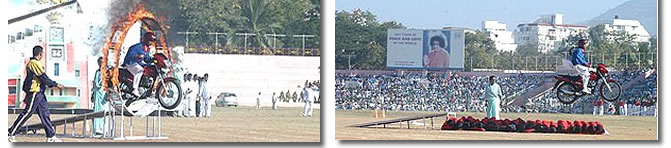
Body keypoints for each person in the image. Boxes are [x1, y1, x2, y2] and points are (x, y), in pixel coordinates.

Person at [8, 46, 65, 142]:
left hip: (40, 93)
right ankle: (10, 133)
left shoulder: (36, 63)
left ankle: (50, 136)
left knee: (45, 114)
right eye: (42, 53)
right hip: (34, 91)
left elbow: (43, 78)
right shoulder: (34, 63)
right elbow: (43, 77)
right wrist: (55, 84)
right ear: (40, 53)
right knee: (27, 113)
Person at [122, 32, 156, 97]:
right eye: (150, 41)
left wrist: (153, 60)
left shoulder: (147, 49)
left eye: (152, 41)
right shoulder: (137, 47)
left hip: (137, 64)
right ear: (146, 40)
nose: (151, 43)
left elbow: (146, 59)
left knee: (146, 69)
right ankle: (135, 89)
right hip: (130, 63)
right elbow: (130, 55)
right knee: (140, 71)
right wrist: (136, 56)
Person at [91, 57, 106, 137]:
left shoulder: (106, 72)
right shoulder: (97, 72)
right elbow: (95, 84)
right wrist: (93, 94)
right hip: (97, 94)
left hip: (103, 95)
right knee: (96, 112)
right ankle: (97, 130)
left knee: (104, 112)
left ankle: (103, 130)